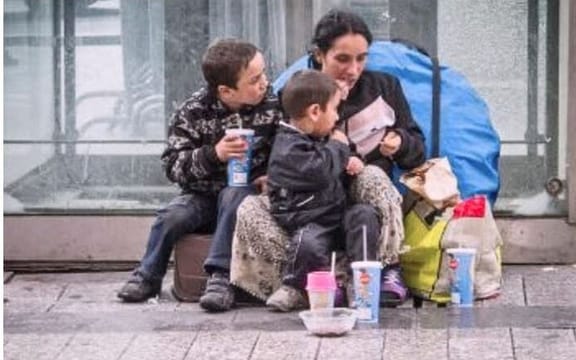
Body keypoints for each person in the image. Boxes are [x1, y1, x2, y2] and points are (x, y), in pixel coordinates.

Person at [231, 9, 425, 309]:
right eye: (343, 59)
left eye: (361, 58)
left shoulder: (384, 87)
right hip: (308, 207)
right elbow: (276, 148)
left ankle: (385, 268)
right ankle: (316, 278)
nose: (353, 69)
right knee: (248, 208)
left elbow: (417, 153)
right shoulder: (295, 92)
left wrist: (400, 143)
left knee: (371, 175)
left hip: (362, 205)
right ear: (320, 55)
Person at [116, 38, 284, 312]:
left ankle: (220, 277)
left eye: (263, 73)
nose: (264, 82)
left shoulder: (275, 105)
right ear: (226, 91)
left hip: (249, 196)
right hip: (203, 194)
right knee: (172, 215)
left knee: (235, 195)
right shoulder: (193, 111)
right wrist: (213, 154)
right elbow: (173, 166)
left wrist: (273, 177)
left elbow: (289, 150)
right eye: (254, 80)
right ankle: (148, 275)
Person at [265, 69, 379, 311]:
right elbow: (320, 170)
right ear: (315, 112)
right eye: (335, 109)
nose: (338, 117)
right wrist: (339, 146)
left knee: (364, 215)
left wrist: (352, 158)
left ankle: (362, 282)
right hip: (309, 219)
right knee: (308, 243)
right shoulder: (287, 147)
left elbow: (334, 158)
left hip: (335, 214)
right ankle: (294, 287)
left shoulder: (319, 134)